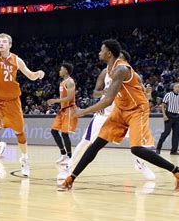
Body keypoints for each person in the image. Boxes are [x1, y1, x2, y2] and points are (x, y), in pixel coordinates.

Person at [59, 39, 179, 192]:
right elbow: (105, 95)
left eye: (101, 50)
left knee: (136, 149)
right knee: (96, 144)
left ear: (108, 53)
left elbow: (108, 101)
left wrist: (83, 111)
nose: (99, 52)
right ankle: (71, 178)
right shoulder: (108, 69)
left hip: (137, 109)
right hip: (121, 109)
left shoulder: (121, 69)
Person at [0, 0, 45, 178]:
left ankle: (24, 159)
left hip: (13, 102)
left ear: (10, 45)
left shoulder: (16, 60)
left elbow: (29, 75)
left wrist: (37, 74)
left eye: (4, 42)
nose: (1, 44)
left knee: (20, 134)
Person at [64, 51, 155, 181]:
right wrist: (103, 92)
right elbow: (95, 93)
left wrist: (148, 94)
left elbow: (144, 97)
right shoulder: (104, 72)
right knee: (86, 142)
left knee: (137, 144)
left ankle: (140, 164)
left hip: (123, 114)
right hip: (104, 113)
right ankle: (69, 166)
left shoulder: (132, 75)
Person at [47, 63, 78, 165]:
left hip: (70, 109)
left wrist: (55, 101)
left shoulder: (70, 82)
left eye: (61, 70)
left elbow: (69, 98)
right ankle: (63, 154)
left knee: (65, 134)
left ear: (66, 71)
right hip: (63, 110)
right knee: (54, 131)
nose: (59, 71)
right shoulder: (62, 82)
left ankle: (70, 157)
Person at [156, 82, 179, 155]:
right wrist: (164, 116)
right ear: (173, 87)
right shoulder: (168, 95)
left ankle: (174, 151)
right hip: (169, 115)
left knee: (176, 134)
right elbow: (163, 105)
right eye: (176, 87)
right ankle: (158, 148)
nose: (178, 88)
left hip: (176, 115)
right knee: (166, 132)